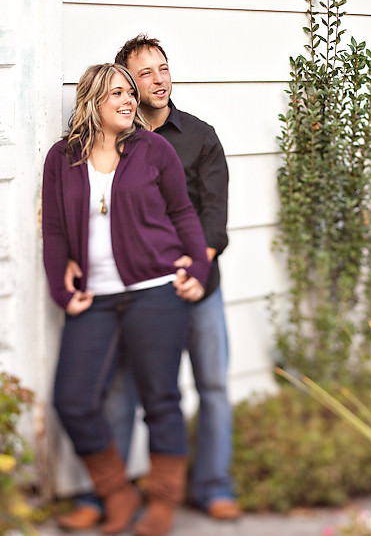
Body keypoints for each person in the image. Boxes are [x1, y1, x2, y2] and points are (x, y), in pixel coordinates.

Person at [55, 35, 239, 529]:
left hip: (195, 285)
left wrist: (194, 270)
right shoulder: (110, 143)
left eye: (164, 69)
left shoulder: (199, 137)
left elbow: (209, 218)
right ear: (124, 84)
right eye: (145, 74)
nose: (158, 81)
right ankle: (107, 495)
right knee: (119, 390)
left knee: (211, 384)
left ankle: (212, 486)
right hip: (139, 288)